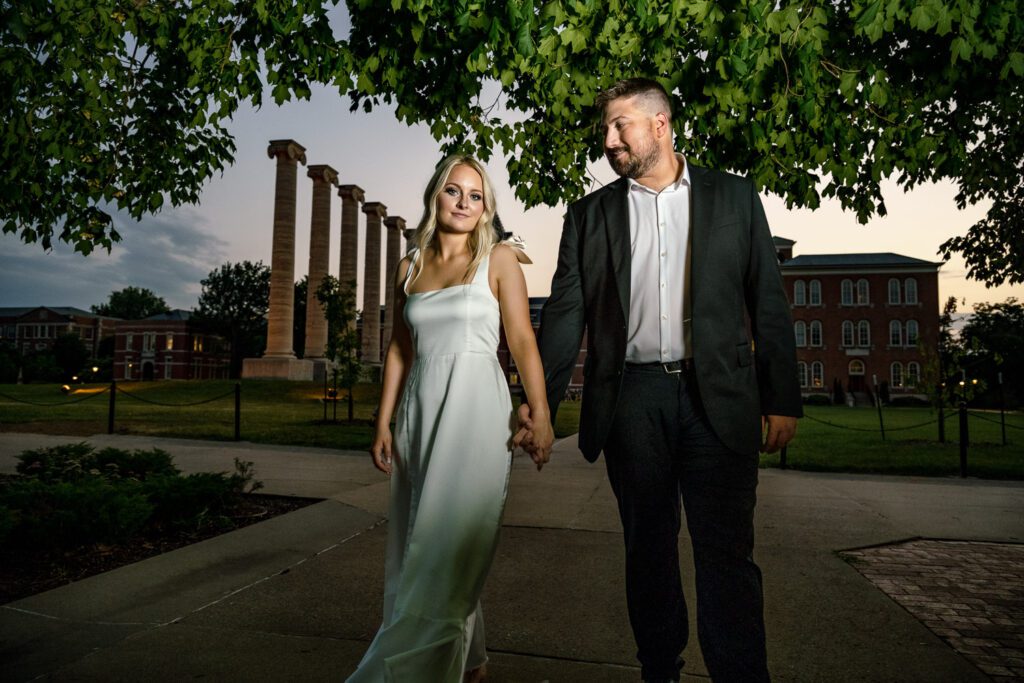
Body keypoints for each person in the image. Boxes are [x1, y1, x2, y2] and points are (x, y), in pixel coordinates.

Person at [520, 78, 802, 682]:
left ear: (660, 125)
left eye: (620, 125)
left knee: (726, 553)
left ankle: (741, 674)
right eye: (605, 128)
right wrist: (537, 402)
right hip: (632, 400)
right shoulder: (589, 216)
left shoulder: (733, 198)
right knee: (647, 549)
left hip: (717, 397)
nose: (609, 139)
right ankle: (659, 669)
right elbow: (565, 313)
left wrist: (781, 395)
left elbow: (768, 300)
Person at [347, 154, 554, 683]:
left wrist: (542, 411)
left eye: (476, 195)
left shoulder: (500, 258)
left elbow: (522, 340)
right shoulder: (408, 267)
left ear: (486, 208)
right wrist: (383, 421)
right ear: (434, 197)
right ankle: (473, 665)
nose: (464, 203)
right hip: (419, 411)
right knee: (423, 538)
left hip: (477, 411)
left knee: (454, 540)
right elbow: (399, 348)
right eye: (454, 191)